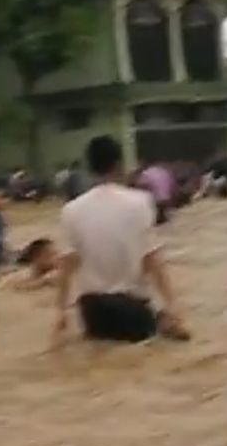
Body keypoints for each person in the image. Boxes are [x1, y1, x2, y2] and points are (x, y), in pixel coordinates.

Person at [53, 136, 191, 344]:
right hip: (133, 310)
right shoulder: (141, 202)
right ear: (118, 165)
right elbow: (152, 259)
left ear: (89, 167)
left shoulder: (70, 210)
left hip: (92, 314)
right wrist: (172, 304)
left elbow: (66, 266)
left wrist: (60, 311)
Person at [138, 161, 177, 225]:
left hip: (157, 201)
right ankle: (161, 215)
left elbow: (140, 186)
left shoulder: (146, 173)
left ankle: (154, 217)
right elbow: (173, 186)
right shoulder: (165, 171)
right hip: (168, 198)